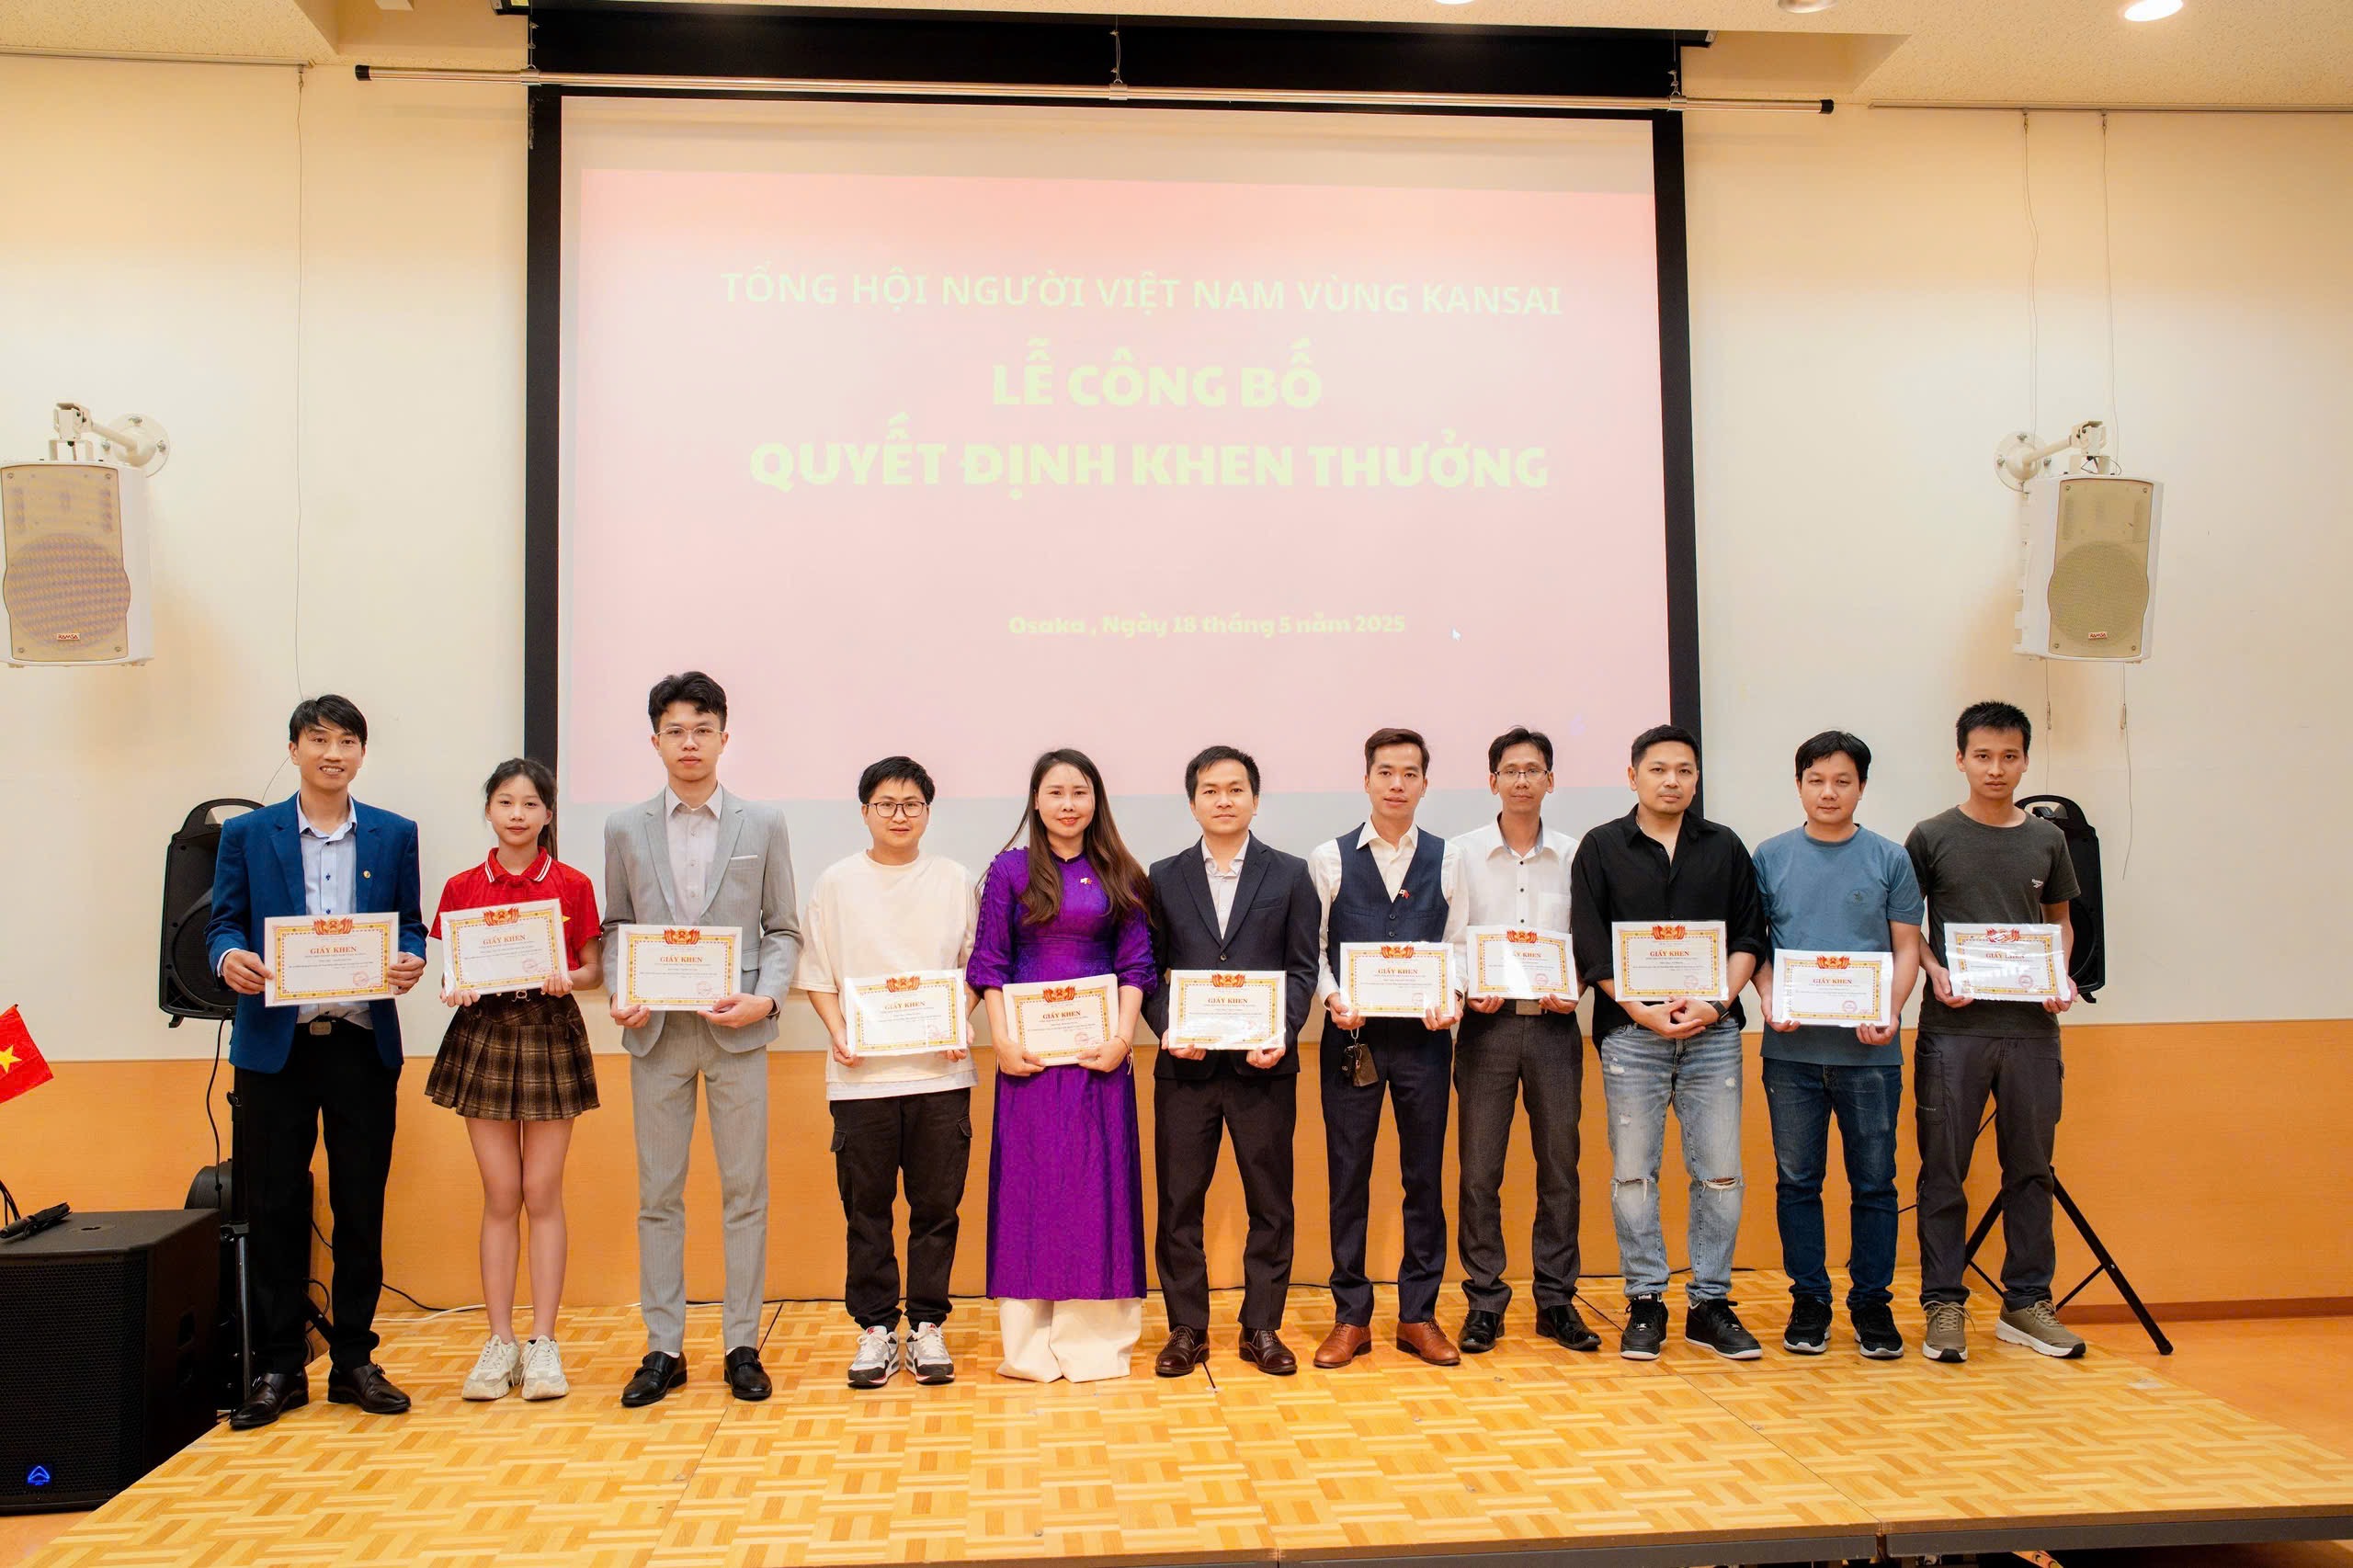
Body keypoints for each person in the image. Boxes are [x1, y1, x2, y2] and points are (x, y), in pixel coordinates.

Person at [207, 695, 426, 1429]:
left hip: (361, 1044)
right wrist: (229, 958)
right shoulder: (247, 834)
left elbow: (411, 925)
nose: (334, 753)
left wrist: (411, 958)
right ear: (294, 749)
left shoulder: (395, 833)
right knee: (274, 1205)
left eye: (347, 741)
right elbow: (223, 923)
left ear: (362, 753)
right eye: (319, 739)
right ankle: (279, 1365)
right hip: (277, 1050)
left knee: (361, 1203)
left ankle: (354, 1359)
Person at [603, 671, 801, 1406]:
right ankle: (663, 1347)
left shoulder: (764, 823)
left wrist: (766, 999)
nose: (690, 743)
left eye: (703, 730)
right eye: (676, 731)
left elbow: (783, 930)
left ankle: (742, 1344)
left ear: (724, 737)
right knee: (659, 1195)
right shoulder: (624, 828)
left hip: (736, 1033)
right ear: (655, 740)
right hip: (657, 1035)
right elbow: (616, 926)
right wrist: (622, 987)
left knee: (745, 1192)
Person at [1569, 723, 1768, 1362]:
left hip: (1714, 1034)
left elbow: (1749, 934)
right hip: (1632, 1035)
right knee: (1634, 1174)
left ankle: (1710, 1304)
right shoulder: (1602, 846)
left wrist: (1718, 1003)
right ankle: (1646, 1300)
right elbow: (1590, 942)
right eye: (1658, 769)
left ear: (1697, 778)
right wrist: (1641, 1011)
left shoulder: (1725, 846)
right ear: (1633, 776)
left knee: (1721, 1174)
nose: (1672, 781)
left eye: (1684, 770)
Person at [970, 748, 1158, 1381]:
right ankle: (1029, 1349)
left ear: (1096, 801)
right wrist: (1002, 1042)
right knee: (1032, 1190)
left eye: (1080, 792)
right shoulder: (1009, 870)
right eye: (1056, 793)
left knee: (1096, 1191)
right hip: (1028, 1060)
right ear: (1036, 800)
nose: (1069, 804)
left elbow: (1136, 966)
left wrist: (1123, 1040)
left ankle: (1095, 1346)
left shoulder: (1122, 873)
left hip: (1098, 1061)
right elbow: (990, 963)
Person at [1907, 700, 2083, 1363]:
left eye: (2009, 756)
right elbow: (1905, 928)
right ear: (1961, 759)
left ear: (2025, 761)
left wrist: (2059, 976)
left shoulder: (2047, 839)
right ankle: (1944, 1303)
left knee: (2031, 1169)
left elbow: (2058, 920)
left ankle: (2026, 1302)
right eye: (1982, 756)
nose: (1996, 769)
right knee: (1944, 1169)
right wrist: (1934, 971)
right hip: (1953, 1030)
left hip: (2032, 1031)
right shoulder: (1930, 836)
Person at [796, 756, 979, 1390]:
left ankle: (927, 1326)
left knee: (937, 1209)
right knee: (866, 1210)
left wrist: (958, 1018)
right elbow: (818, 974)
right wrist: (839, 1031)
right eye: (886, 804)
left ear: (927, 811)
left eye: (912, 805)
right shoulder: (836, 883)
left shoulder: (954, 879)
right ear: (865, 811)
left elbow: (977, 967)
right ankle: (875, 1330)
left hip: (940, 1077)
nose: (899, 816)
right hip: (861, 1079)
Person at [1139, 745, 1320, 1379]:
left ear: (1255, 799)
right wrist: (1167, 1027)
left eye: (1236, 789)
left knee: (1271, 1202)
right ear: (1193, 803)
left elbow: (1302, 969)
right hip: (1185, 1069)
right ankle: (1187, 1328)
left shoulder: (1290, 874)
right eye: (1211, 790)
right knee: (1178, 1202)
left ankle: (1261, 1326)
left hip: (1262, 1067)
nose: (1224, 800)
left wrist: (1283, 1030)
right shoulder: (1162, 877)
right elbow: (1147, 970)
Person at [427, 758, 603, 1403]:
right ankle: (499, 1341)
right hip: (486, 1034)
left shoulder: (573, 884)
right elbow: (451, 970)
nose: (518, 814)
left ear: (548, 814)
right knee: (501, 1193)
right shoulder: (461, 886)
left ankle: (544, 1342)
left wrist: (569, 977)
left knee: (541, 1190)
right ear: (489, 811)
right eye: (506, 802)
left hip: (550, 1030)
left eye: (531, 804)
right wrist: (454, 986)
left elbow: (593, 970)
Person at [1750, 732, 1922, 1360]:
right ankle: (1810, 1301)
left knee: (1875, 1184)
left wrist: (1891, 1010)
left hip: (1869, 1056)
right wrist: (1770, 997)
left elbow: (1907, 947)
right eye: (1817, 780)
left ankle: (1872, 1305)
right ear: (1798, 785)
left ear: (1861, 787)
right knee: (1797, 1182)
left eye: (1843, 781)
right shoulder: (1769, 857)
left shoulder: (1890, 858)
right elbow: (1756, 946)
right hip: (1791, 1056)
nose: (1829, 792)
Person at [1307, 727, 1468, 1369]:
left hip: (1425, 1041)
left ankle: (1417, 1315)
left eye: (1409, 773)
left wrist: (1453, 995)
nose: (1397, 785)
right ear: (1367, 780)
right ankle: (1351, 1317)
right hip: (1352, 1038)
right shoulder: (1328, 858)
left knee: (1423, 1177)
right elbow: (1314, 948)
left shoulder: (1449, 859)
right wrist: (1332, 998)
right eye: (1385, 773)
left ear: (1425, 783)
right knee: (1348, 1176)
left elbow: (1459, 944)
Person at [1449, 727, 1599, 1357]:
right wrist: (1465, 988)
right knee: (1479, 1171)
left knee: (1560, 1167)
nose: (1521, 780)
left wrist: (1579, 984)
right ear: (1492, 782)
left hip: (1554, 1027)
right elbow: (1451, 939)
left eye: (1532, 770)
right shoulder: (1459, 853)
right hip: (1485, 1027)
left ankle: (1556, 1300)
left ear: (1550, 781)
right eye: (1510, 770)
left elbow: (1587, 939)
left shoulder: (1575, 855)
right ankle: (1484, 1301)